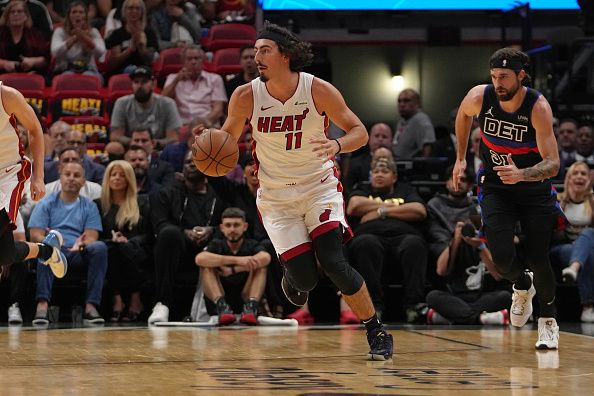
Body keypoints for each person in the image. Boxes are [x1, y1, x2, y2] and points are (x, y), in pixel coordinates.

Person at [199, 22, 393, 360]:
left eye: (264, 50)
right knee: (304, 282)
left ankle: (375, 330)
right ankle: (296, 277)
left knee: (334, 263)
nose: (255, 56)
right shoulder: (246, 95)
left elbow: (359, 132)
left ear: (284, 56)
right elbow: (226, 141)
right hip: (276, 196)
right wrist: (207, 143)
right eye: (255, 50)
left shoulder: (317, 90)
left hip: (319, 186)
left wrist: (336, 144)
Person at [452, 47, 561, 349]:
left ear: (521, 76)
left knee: (539, 259)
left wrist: (523, 175)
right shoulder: (480, 97)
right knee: (500, 257)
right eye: (494, 76)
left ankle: (548, 321)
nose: (497, 82)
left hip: (534, 189)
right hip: (497, 186)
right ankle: (521, 284)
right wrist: (460, 158)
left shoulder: (538, 107)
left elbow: (553, 162)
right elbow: (463, 115)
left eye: (504, 76)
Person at [426, 165, 511, 326]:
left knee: (505, 296)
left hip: (482, 295)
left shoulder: (482, 226)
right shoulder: (438, 210)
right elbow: (441, 270)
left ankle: (452, 317)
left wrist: (480, 246)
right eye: (454, 178)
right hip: (455, 295)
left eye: (463, 179)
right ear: (446, 182)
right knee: (433, 296)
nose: (458, 183)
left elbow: (498, 275)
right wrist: (456, 239)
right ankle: (481, 318)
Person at [0, 82, 67, 285]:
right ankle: (47, 250)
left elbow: (35, 130)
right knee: (5, 255)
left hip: (8, 173)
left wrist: (38, 176)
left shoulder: (7, 95)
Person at [29, 161, 107, 325]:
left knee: (99, 248)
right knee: (45, 249)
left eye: (77, 175)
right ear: (61, 178)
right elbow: (35, 234)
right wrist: (51, 244)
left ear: (83, 181)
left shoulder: (89, 205)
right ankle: (42, 306)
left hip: (78, 253)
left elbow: (92, 236)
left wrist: (81, 245)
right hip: (55, 252)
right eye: (68, 174)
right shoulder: (46, 203)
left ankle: (91, 307)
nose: (72, 178)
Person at [195, 207, 270, 325]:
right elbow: (200, 259)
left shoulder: (252, 244)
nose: (232, 229)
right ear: (222, 228)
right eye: (228, 225)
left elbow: (265, 258)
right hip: (220, 296)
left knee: (260, 266)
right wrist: (241, 261)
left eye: (236, 225)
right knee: (206, 266)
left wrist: (233, 269)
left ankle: (251, 307)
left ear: (245, 226)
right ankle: (222, 306)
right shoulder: (216, 244)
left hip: (245, 295)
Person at [50, 1, 106, 84]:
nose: (77, 15)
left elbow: (101, 52)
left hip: (89, 70)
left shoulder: (93, 32)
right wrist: (75, 38)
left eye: (81, 12)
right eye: (74, 12)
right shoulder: (60, 32)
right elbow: (55, 52)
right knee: (68, 77)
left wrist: (85, 38)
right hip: (65, 70)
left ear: (85, 16)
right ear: (69, 16)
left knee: (90, 78)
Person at [392, 88, 435, 159]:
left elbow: (427, 145)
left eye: (406, 101)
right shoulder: (401, 122)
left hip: (413, 167)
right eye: (399, 101)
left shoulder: (421, 119)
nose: (402, 104)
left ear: (417, 103)